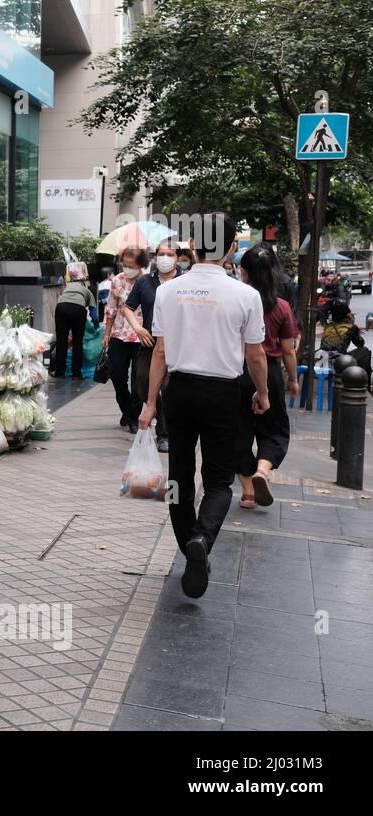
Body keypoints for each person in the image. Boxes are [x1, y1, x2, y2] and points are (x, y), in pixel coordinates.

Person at [139, 213, 268, 599]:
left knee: (179, 475)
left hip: (178, 392)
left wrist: (149, 404)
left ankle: (188, 545)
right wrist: (262, 393)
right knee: (217, 480)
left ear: (192, 245)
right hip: (223, 393)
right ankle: (201, 539)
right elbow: (256, 356)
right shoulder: (246, 295)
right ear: (232, 249)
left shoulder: (167, 291)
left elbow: (160, 352)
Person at [234, 245, 299, 509]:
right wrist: (292, 379)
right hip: (269, 373)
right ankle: (263, 469)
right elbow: (288, 350)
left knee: (237, 431)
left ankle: (248, 492)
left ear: (244, 272)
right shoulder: (282, 306)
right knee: (274, 430)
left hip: (237, 372)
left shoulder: (236, 300)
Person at [121, 241, 180, 451]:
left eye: (169, 254)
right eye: (161, 253)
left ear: (178, 258)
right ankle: (158, 420)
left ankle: (165, 434)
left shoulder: (186, 281)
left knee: (167, 388)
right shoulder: (144, 282)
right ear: (155, 257)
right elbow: (127, 308)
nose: (165, 257)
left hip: (178, 345)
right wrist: (138, 327)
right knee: (144, 385)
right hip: (150, 344)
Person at [104, 246, 149, 433]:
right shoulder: (117, 281)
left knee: (139, 379)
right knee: (117, 375)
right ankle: (127, 408)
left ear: (141, 265)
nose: (127, 268)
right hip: (119, 334)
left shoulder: (148, 281)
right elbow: (111, 309)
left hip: (142, 336)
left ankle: (132, 418)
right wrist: (106, 334)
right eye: (125, 264)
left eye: (132, 265)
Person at [51, 268, 96, 378]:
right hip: (78, 309)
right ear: (83, 282)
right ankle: (76, 373)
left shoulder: (67, 288)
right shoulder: (87, 291)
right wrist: (96, 327)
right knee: (77, 342)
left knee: (62, 341)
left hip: (61, 307)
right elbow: (94, 314)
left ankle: (59, 372)